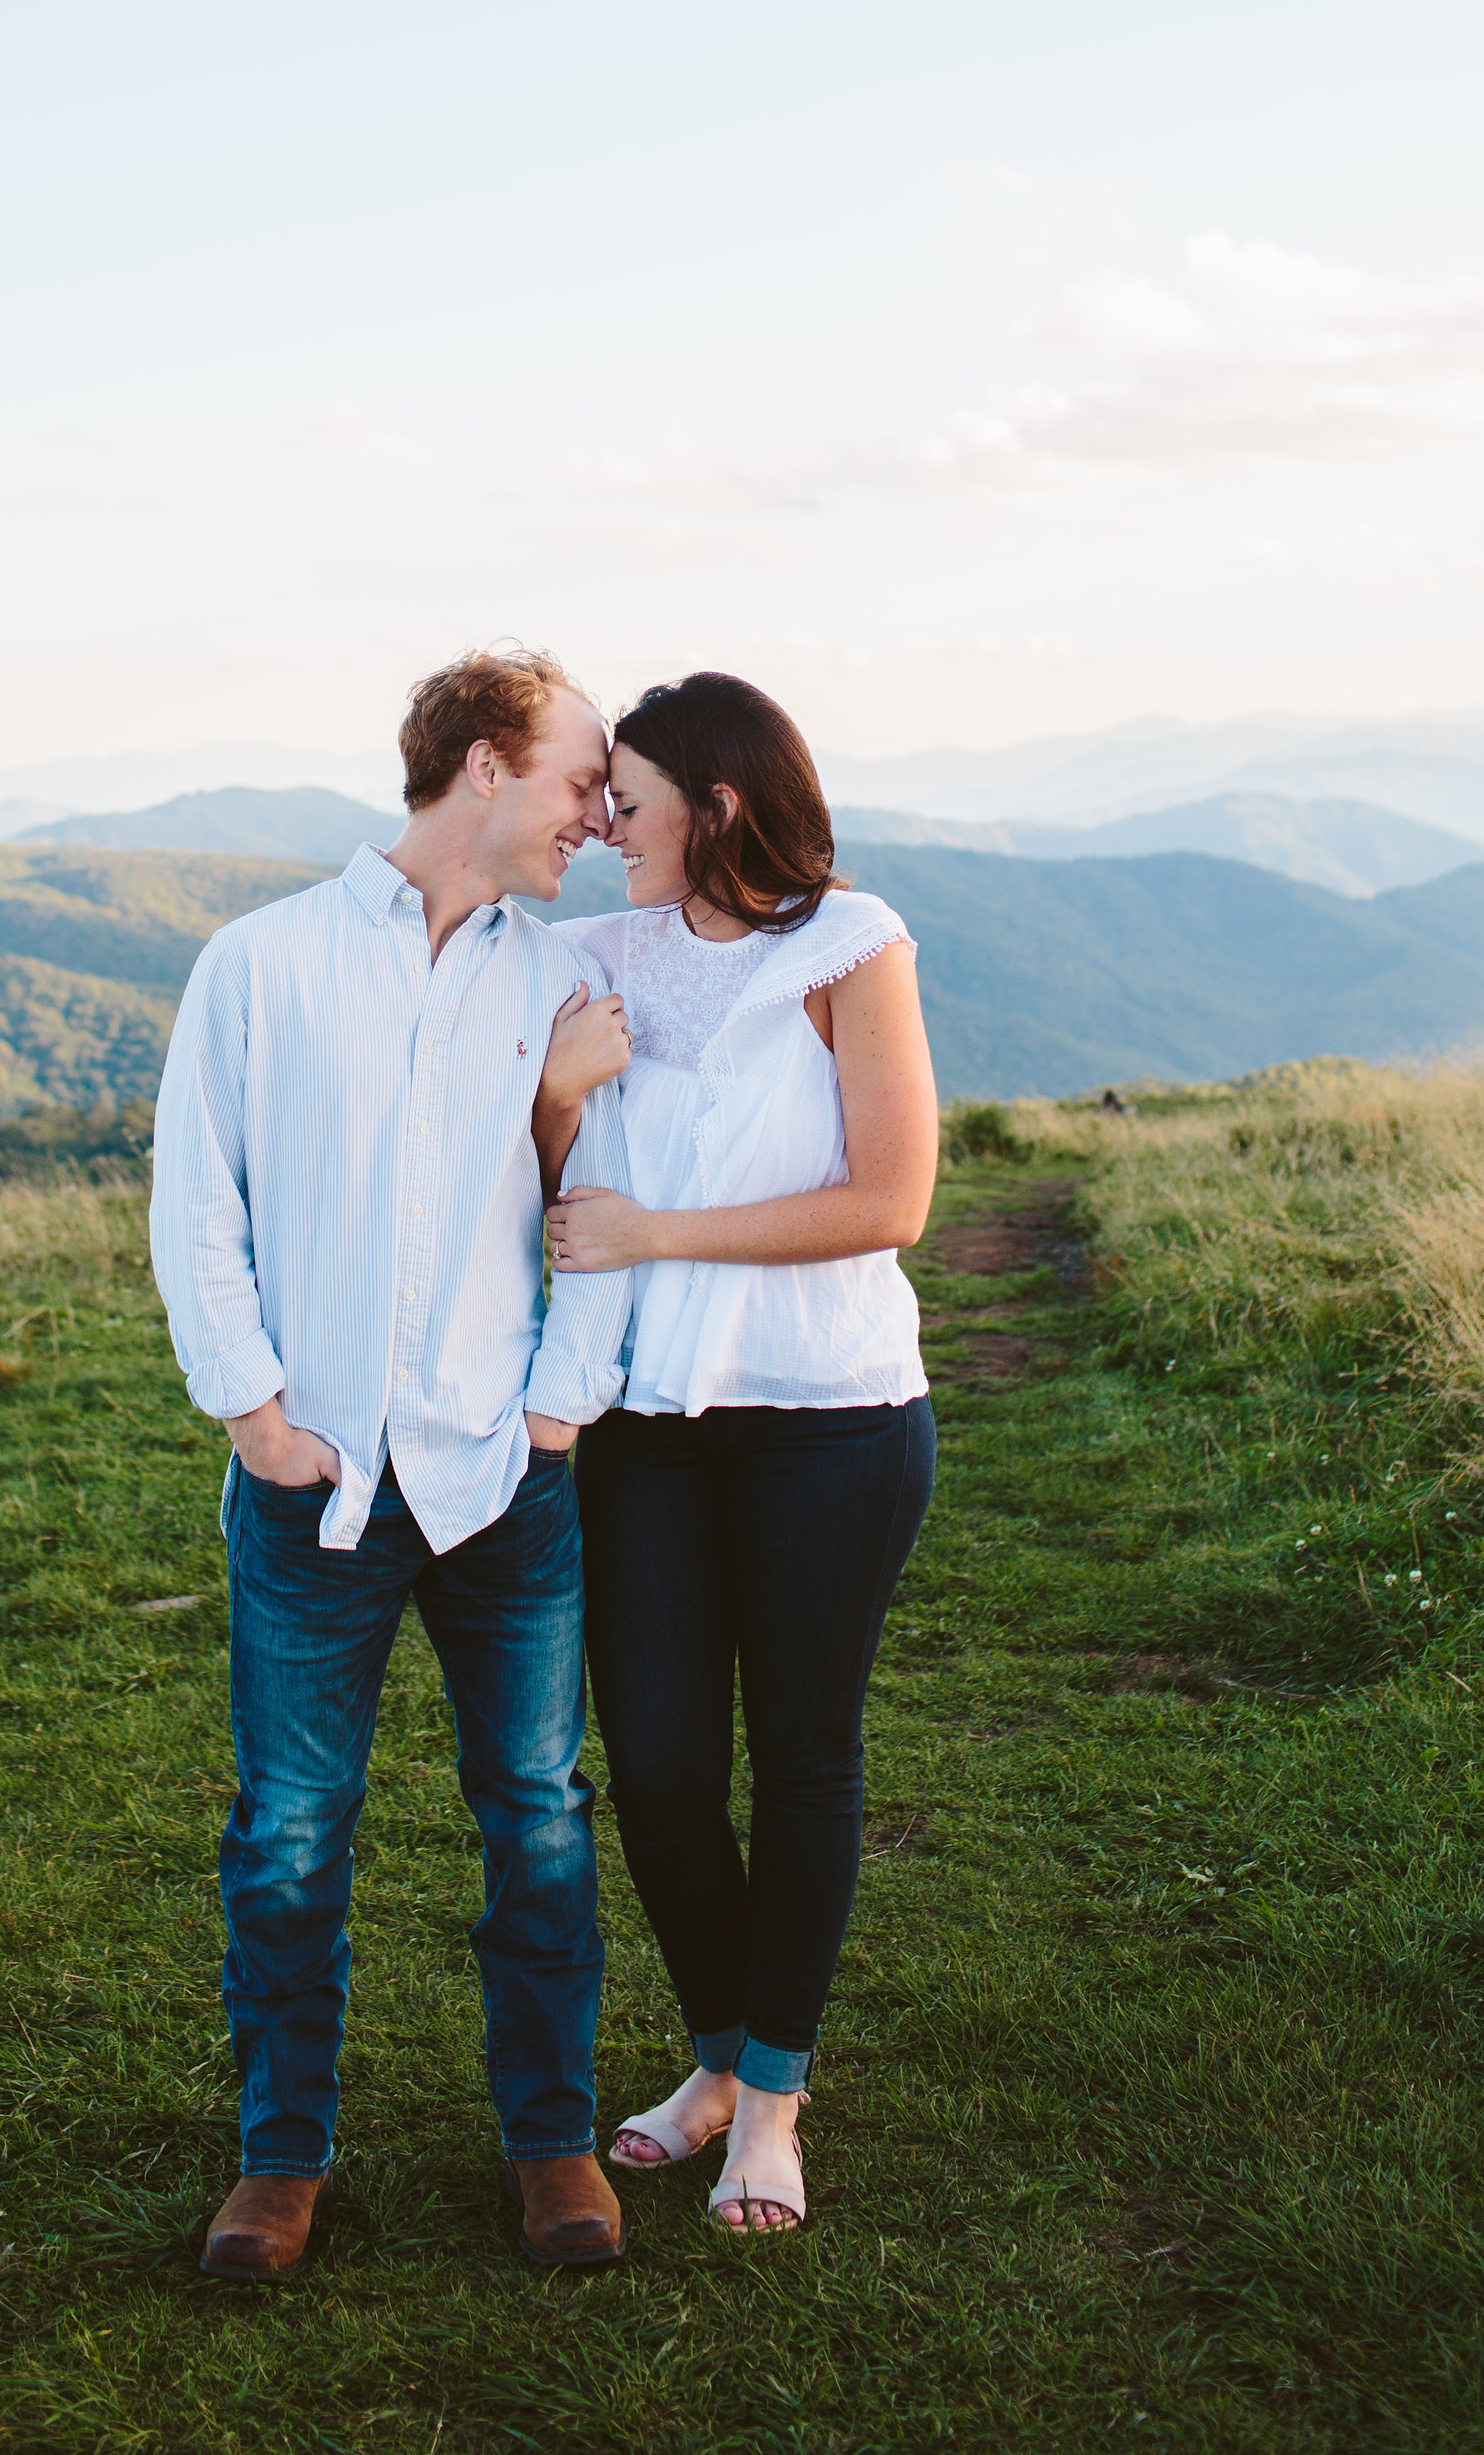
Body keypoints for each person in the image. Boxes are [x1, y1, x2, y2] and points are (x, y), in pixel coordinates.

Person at [149, 648, 637, 2284]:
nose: (600, 811)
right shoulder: (261, 964)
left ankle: (552, 2144)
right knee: (290, 1828)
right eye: (581, 778)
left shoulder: (555, 982)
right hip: (315, 1485)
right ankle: (281, 2161)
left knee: (541, 1820)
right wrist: (255, 1415)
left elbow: (604, 1206)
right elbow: (195, 1199)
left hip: (506, 1478)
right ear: (486, 768)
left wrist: (560, 1404)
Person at [536, 671, 941, 2238]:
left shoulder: (852, 942)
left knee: (805, 1756)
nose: (602, 831)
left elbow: (890, 1199)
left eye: (626, 803)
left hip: (832, 1418)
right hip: (647, 1426)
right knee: (655, 1768)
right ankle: (713, 2053)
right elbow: (541, 1172)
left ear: (711, 807)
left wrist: (663, 1235)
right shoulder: (590, 956)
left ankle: (770, 2096)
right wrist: (560, 1106)